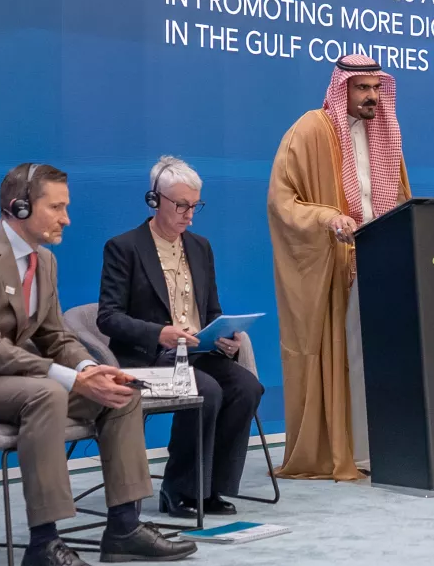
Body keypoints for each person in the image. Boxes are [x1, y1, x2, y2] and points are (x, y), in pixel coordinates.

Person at [0, 163, 196, 566]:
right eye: (57, 207)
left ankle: (124, 528)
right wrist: (68, 379)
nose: (67, 218)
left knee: (122, 390)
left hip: (10, 377)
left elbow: (55, 336)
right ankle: (44, 547)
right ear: (20, 207)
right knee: (46, 394)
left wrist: (89, 368)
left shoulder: (43, 262)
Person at [97, 156, 265, 518]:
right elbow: (108, 317)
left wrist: (225, 336)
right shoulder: (124, 247)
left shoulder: (200, 247)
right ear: (155, 200)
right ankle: (178, 489)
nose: (189, 214)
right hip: (148, 358)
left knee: (246, 387)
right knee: (205, 390)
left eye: (195, 206)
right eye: (182, 205)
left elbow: (212, 311)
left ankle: (211, 488)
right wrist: (160, 333)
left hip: (197, 353)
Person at [268, 55, 410, 481]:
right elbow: (282, 201)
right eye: (361, 87)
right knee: (346, 356)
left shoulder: (387, 135)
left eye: (375, 88)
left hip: (381, 264)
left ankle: (382, 447)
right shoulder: (312, 130)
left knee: (378, 356)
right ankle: (342, 452)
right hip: (334, 266)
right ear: (341, 88)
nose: (371, 96)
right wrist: (327, 219)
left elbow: (398, 198)